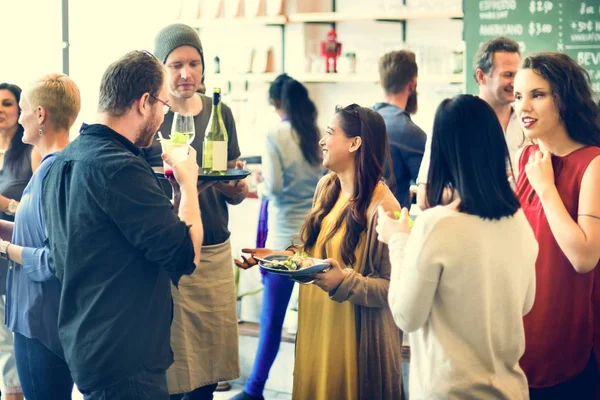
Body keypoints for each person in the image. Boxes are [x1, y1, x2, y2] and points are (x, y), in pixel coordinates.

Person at [41, 50, 203, 399]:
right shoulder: (120, 167)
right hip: (127, 360)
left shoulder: (62, 162)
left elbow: (66, 256)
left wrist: (175, 193)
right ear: (144, 102)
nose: (163, 115)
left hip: (88, 345)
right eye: (163, 104)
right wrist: (189, 183)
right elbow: (185, 254)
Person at [236, 104, 403, 400]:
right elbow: (316, 255)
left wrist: (343, 282)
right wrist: (277, 257)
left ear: (354, 143)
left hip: (351, 343)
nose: (322, 142)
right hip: (317, 326)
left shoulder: (384, 208)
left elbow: (393, 290)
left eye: (330, 133)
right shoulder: (327, 186)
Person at [377, 94, 537, 399]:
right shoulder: (518, 220)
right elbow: (525, 303)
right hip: (510, 389)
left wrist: (397, 239)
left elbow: (407, 316)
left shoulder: (436, 224)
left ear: (442, 151)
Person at [144, 23, 248, 400]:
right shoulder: (150, 116)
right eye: (175, 65)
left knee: (209, 366)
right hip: (169, 253)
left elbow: (238, 191)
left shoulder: (221, 113)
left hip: (215, 250)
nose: (186, 73)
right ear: (160, 67)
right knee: (172, 367)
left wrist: (221, 182)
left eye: (193, 63)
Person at [514, 52, 600, 399]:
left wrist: (547, 188)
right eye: (519, 96)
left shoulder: (592, 163)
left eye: (537, 94)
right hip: (523, 329)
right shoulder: (527, 158)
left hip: (570, 335)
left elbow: (584, 257)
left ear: (563, 98)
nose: (524, 107)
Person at [231, 74, 323, 400]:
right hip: (314, 237)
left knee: (272, 322)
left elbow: (275, 187)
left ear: (276, 103)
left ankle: (254, 389)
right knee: (314, 323)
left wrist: (257, 181)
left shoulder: (274, 135)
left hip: (281, 239)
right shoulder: (315, 134)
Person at [0, 74, 80, 399]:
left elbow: (54, 258)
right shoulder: (53, 167)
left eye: (23, 110)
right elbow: (33, 232)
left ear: (41, 115)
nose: (19, 118)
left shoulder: (54, 172)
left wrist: (5, 248)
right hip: (35, 318)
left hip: (41, 324)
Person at [417, 36, 522, 210]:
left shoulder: (529, 122)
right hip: (467, 230)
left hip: (517, 229)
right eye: (508, 75)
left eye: (518, 75)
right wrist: (480, 192)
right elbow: (425, 198)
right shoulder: (454, 121)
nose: (515, 83)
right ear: (481, 76)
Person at [0, 82, 42, 400]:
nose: (0, 110)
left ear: (21, 110)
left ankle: (15, 392)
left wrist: (5, 204)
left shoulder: (32, 151)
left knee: (12, 333)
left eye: (7, 103)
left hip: (19, 253)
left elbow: (39, 209)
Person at [373, 50, 426, 209]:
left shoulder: (357, 121)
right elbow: (432, 191)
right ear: (412, 84)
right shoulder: (410, 132)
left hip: (352, 226)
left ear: (381, 82)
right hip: (388, 227)